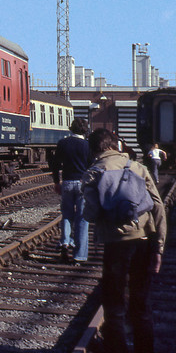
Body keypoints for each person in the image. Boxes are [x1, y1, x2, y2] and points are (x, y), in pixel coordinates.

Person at [83, 128, 166, 353]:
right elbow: (158, 207)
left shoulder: (93, 172)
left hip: (115, 244)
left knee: (114, 304)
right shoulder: (138, 167)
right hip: (144, 241)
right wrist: (158, 246)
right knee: (141, 303)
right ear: (115, 146)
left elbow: (90, 214)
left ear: (94, 150)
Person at [50, 117, 91, 264]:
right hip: (83, 184)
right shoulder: (88, 145)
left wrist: (56, 182)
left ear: (71, 128)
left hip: (67, 183)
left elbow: (55, 164)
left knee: (66, 215)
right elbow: (92, 167)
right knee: (82, 218)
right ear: (85, 130)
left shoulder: (63, 143)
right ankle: (79, 255)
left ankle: (65, 242)